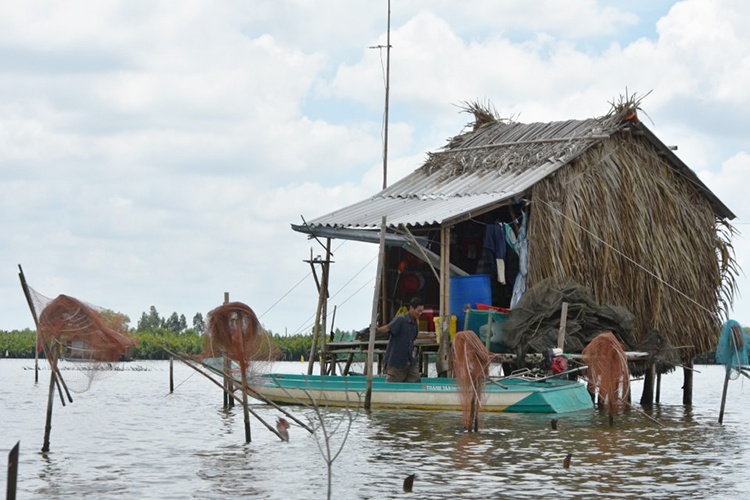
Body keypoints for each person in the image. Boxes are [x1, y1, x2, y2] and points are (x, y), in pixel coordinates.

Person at [376, 297, 424, 383]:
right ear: (412, 308)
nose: (420, 313)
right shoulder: (401, 320)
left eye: (421, 311)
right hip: (396, 361)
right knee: (392, 384)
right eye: (418, 310)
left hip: (409, 361)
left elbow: (414, 337)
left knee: (416, 380)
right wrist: (376, 330)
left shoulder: (415, 324)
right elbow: (387, 328)